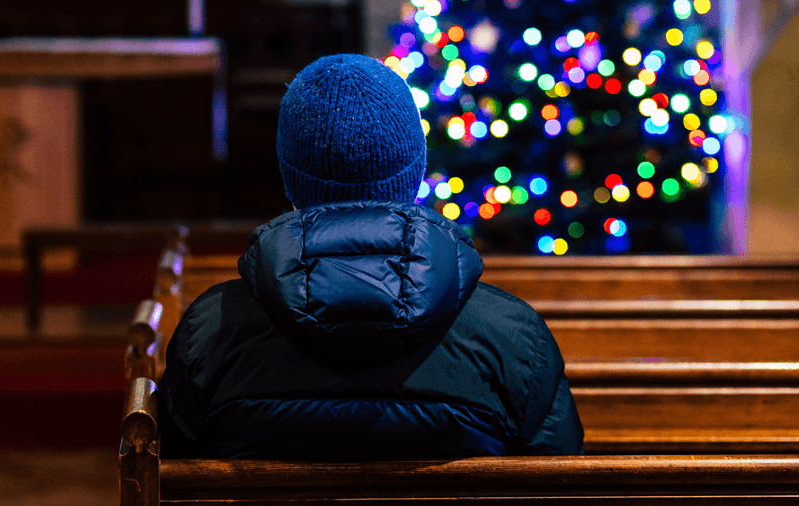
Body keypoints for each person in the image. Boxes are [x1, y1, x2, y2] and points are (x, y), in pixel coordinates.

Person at [157, 54, 584, 460]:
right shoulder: (513, 339)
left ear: (290, 178)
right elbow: (563, 489)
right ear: (414, 173)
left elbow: (167, 481)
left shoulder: (210, 335)